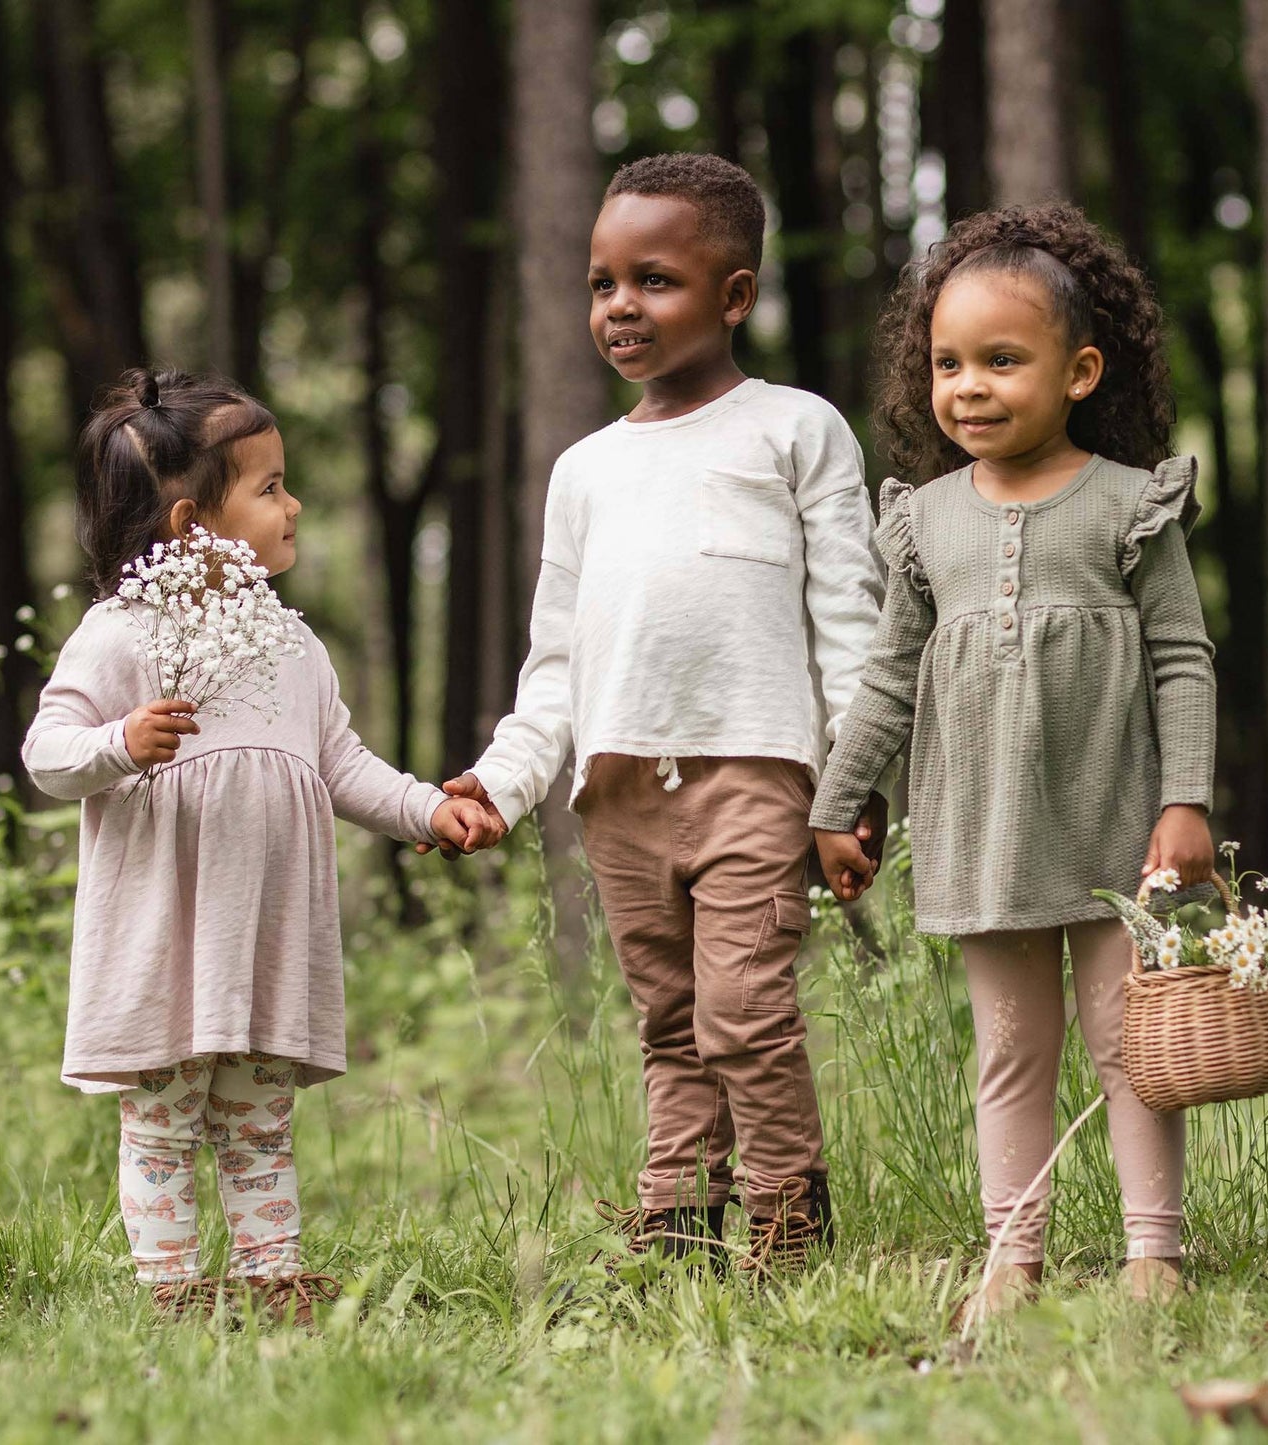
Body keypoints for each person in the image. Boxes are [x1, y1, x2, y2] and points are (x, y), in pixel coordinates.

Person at [440, 154, 887, 1272]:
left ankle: (784, 1215)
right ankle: (677, 1218)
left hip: (756, 773)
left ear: (734, 295)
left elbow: (848, 619)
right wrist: (503, 778)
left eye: (654, 281)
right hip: (619, 791)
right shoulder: (584, 469)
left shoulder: (795, 428)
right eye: (602, 284)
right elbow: (557, 660)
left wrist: (851, 785)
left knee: (743, 1005)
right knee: (671, 1018)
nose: (620, 307)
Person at [810, 204, 1216, 1315]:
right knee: (1008, 1049)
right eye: (948, 364)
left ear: (1078, 372)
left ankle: (1152, 1255)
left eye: (1001, 360)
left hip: (1114, 823)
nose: (969, 388)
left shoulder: (1129, 504)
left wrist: (1184, 799)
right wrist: (837, 802)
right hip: (982, 831)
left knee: (1128, 1045)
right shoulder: (926, 520)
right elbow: (887, 678)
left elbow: (1182, 657)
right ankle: (1011, 1257)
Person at [22, 368, 488, 1324]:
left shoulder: (291, 644)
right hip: (167, 941)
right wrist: (121, 742)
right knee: (162, 1123)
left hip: (266, 941)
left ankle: (273, 1279)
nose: (294, 504)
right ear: (192, 525)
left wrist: (424, 812)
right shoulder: (122, 632)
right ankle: (172, 1289)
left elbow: (340, 760)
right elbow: (47, 754)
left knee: (259, 1121)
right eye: (270, 487)